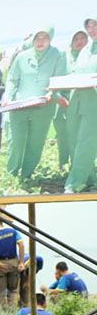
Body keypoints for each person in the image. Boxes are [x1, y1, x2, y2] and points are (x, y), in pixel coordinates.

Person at [5, 28, 68, 184]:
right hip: (19, 106)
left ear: (50, 39)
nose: (40, 41)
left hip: (44, 106)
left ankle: (26, 174)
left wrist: (52, 93)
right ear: (32, 39)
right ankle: (12, 174)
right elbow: (12, 79)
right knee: (17, 141)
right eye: (37, 38)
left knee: (36, 142)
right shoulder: (22, 57)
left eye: (44, 38)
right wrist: (8, 96)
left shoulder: (58, 55)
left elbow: (58, 79)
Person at [64, 20, 97, 194]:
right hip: (77, 102)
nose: (91, 30)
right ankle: (91, 178)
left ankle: (74, 183)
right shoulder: (85, 50)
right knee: (75, 140)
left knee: (86, 142)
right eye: (88, 27)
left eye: (95, 25)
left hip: (94, 104)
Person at [55, 31, 90, 171]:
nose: (79, 41)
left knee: (82, 137)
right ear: (71, 41)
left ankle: (80, 166)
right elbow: (54, 80)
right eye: (76, 38)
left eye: (83, 38)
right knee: (63, 136)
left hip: (85, 105)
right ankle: (63, 164)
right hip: (64, 104)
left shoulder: (91, 58)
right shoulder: (63, 58)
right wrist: (59, 98)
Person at [0, 226, 25, 308]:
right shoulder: (13, 231)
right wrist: (21, 262)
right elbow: (21, 245)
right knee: (13, 290)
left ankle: (2, 312)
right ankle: (11, 311)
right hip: (13, 262)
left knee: (0, 291)